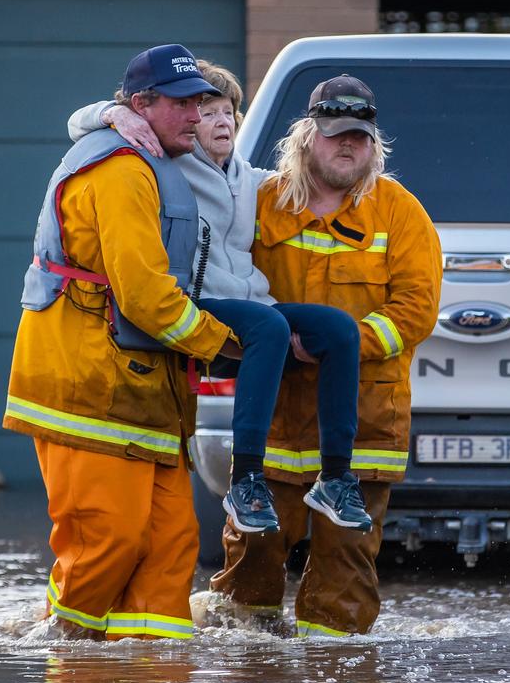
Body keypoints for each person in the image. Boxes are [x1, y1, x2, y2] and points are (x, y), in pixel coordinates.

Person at [67, 61, 372, 534]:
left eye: (229, 111)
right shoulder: (165, 165)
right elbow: (76, 124)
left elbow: (322, 176)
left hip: (250, 307)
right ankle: (245, 479)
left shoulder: (250, 179)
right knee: (267, 326)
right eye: (207, 112)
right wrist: (113, 113)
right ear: (187, 122)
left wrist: (353, 151)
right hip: (194, 305)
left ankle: (334, 477)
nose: (221, 121)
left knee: (338, 329)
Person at [3, 44, 240, 640]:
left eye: (202, 102)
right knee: (105, 538)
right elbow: (146, 298)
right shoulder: (121, 170)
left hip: (141, 393)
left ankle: (149, 678)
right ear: (140, 105)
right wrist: (230, 344)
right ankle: (66, 663)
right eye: (183, 103)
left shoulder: (151, 154)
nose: (196, 114)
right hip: (88, 387)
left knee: (171, 545)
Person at [209, 74, 443, 637]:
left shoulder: (398, 211)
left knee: (346, 574)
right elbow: (221, 278)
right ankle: (251, 679)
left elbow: (418, 308)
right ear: (306, 136)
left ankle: (338, 682)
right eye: (336, 134)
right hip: (276, 420)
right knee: (251, 563)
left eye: (359, 138)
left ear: (373, 144)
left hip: (363, 422)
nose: (348, 146)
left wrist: (342, 346)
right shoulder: (261, 203)